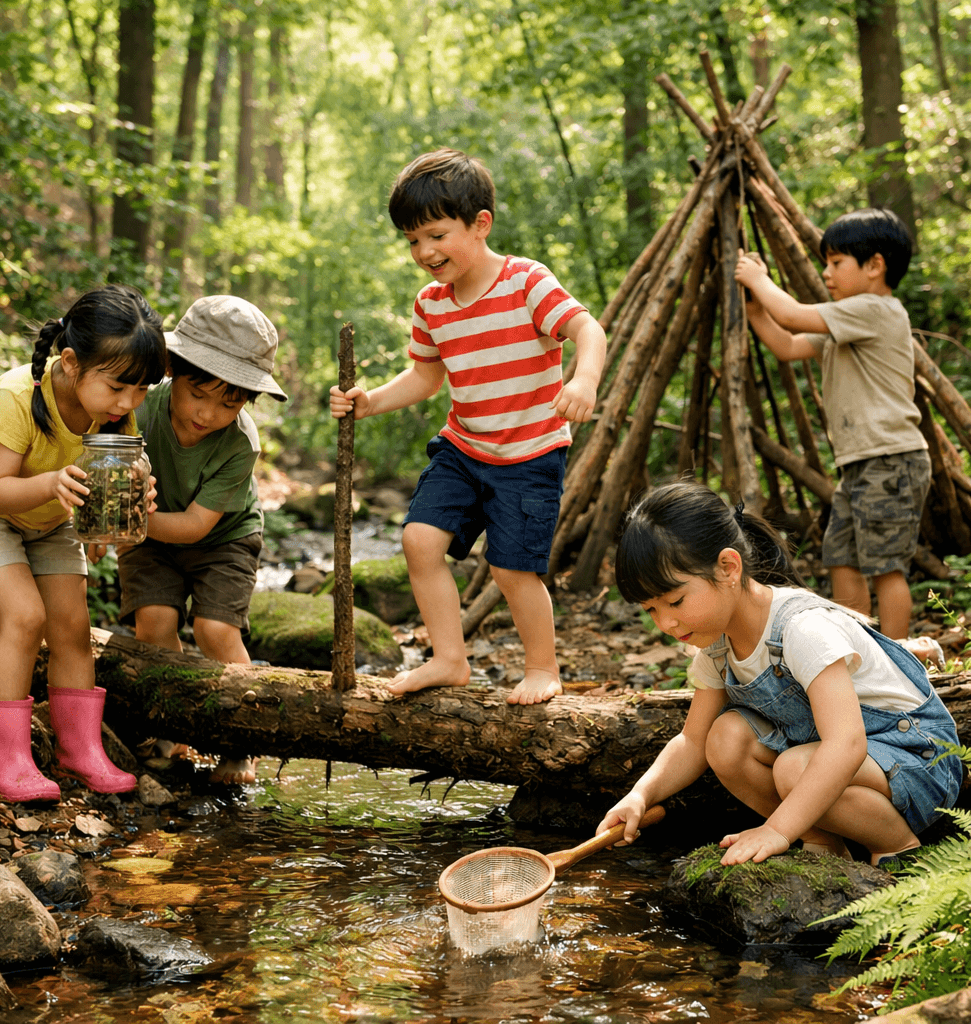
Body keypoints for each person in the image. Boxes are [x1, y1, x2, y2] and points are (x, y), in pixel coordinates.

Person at [329, 148, 607, 705]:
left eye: (436, 235)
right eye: (412, 240)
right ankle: (449, 659)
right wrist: (369, 402)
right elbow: (425, 376)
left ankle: (542, 667)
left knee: (511, 569)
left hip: (530, 454)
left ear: (481, 224)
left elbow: (588, 329)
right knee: (419, 540)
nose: (424, 252)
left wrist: (583, 382)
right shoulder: (431, 304)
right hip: (464, 448)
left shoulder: (525, 281)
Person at [596, 481, 963, 867]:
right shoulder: (717, 647)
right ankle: (823, 843)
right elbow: (692, 740)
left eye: (675, 601)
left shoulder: (802, 629)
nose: (666, 623)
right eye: (651, 610)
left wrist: (775, 829)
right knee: (724, 739)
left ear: (728, 567)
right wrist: (640, 795)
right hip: (847, 766)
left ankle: (898, 850)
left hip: (917, 759)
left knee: (793, 768)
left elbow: (847, 743)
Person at [0, 284, 168, 802]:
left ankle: (80, 751)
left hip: (49, 516)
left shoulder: (113, 410)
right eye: (118, 387)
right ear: (70, 362)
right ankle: (5, 762)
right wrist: (51, 483)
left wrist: (132, 499)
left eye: (142, 389)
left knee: (72, 625)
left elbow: (109, 473)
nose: (129, 403)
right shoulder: (16, 397)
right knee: (25, 618)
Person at [735, 208, 930, 642]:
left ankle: (897, 656)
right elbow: (788, 345)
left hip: (890, 459)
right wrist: (755, 310)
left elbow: (792, 316)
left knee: (886, 566)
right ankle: (859, 647)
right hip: (863, 464)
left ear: (875, 266)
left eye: (836, 262)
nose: (826, 273)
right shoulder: (848, 320)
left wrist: (757, 279)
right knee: (842, 557)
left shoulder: (875, 310)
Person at [117, 295, 287, 785]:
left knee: (215, 630)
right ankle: (171, 726)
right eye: (197, 393)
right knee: (154, 623)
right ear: (172, 369)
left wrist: (124, 525)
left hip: (224, 539)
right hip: (149, 535)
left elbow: (195, 526)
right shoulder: (137, 409)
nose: (208, 413)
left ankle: (241, 741)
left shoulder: (240, 443)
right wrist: (112, 521)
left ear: (246, 401)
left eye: (229, 403)